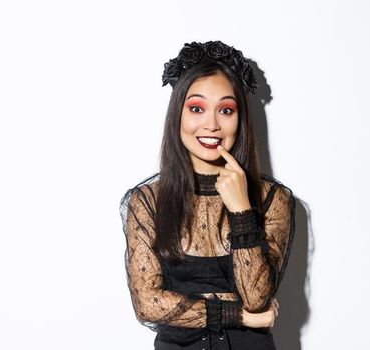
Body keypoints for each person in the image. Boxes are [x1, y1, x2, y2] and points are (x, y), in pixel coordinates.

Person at [119, 41, 296, 350]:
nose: (212, 124)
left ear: (239, 119)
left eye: (225, 110)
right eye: (197, 108)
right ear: (178, 115)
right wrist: (237, 315)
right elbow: (147, 303)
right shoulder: (147, 201)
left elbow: (257, 299)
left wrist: (242, 210)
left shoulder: (272, 199)